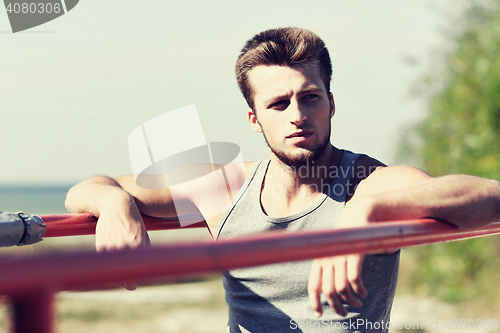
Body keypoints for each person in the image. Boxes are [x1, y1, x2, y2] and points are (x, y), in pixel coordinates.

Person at [65, 27, 500, 332]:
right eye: (278, 104)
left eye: (310, 98)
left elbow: (491, 197)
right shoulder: (223, 187)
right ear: (255, 120)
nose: (297, 115)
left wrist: (367, 212)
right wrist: (116, 206)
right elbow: (89, 187)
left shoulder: (369, 182)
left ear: (330, 104)